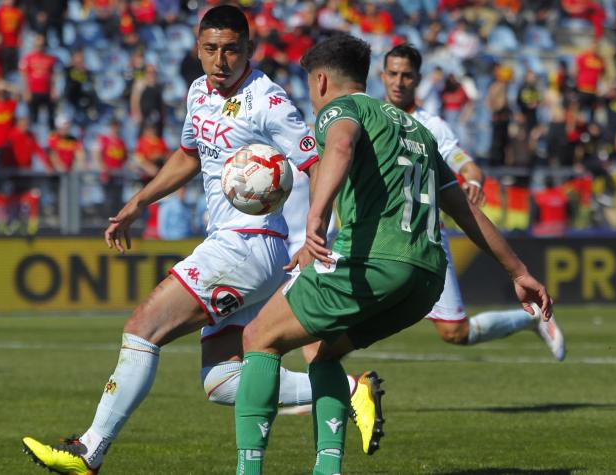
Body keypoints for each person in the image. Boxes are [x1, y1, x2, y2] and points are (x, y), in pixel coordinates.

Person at [21, 7, 377, 474]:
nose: (220, 60)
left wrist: (318, 231)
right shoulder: (198, 93)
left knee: (142, 327)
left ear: (249, 48)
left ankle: (90, 450)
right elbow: (189, 156)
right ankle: (349, 390)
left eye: (231, 49)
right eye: (210, 49)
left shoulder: (268, 100)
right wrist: (137, 203)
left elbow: (318, 163)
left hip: (248, 243)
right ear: (197, 48)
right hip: (237, 244)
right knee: (223, 379)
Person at [233, 33, 553, 474]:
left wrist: (315, 220)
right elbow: (460, 206)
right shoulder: (417, 130)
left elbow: (341, 145)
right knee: (323, 352)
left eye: (310, 84)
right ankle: (327, 469)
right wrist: (518, 271)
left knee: (257, 339)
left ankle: (246, 470)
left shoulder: (340, 111)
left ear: (321, 81)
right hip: (425, 280)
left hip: (374, 261)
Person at [381, 44, 564, 357]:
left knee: (455, 332)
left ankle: (529, 318)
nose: (399, 82)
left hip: (425, 235)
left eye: (407, 76)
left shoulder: (432, 126)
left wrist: (475, 179)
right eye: (393, 74)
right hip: (381, 233)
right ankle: (322, 389)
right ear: (382, 75)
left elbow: (465, 163)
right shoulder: (371, 117)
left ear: (418, 79)